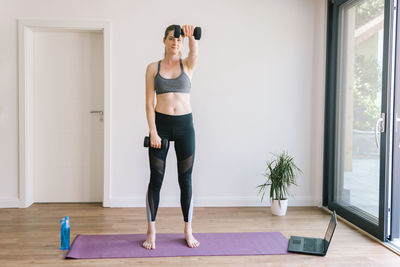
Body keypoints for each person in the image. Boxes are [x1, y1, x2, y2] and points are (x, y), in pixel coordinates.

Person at [142, 24, 200, 250]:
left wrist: (190, 35)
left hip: (185, 126)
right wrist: (153, 131)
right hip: (162, 126)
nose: (175, 43)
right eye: (171, 39)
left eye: (178, 41)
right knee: (156, 180)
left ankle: (188, 229)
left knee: (185, 180)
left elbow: (194, 53)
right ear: (164, 41)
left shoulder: (187, 64)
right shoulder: (152, 68)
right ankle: (151, 230)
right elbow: (149, 103)